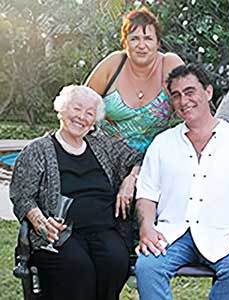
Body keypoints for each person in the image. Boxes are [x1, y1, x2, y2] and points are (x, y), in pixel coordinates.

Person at [134, 64, 229, 300]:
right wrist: (147, 227)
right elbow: (146, 194)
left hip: (226, 233)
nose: (184, 101)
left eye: (190, 91)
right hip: (172, 233)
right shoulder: (162, 143)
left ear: (208, 92)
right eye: (176, 95)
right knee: (147, 268)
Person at [10, 85, 142, 300]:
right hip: (59, 233)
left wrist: (131, 179)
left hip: (104, 230)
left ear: (94, 122)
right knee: (77, 268)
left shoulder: (102, 146)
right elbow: (22, 196)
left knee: (115, 261)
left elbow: (138, 158)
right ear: (61, 110)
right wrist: (40, 222)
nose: (81, 117)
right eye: (76, 108)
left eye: (89, 113)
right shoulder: (37, 150)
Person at [86, 7, 184, 203]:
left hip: (153, 162)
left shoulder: (170, 65)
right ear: (125, 42)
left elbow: (191, 107)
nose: (141, 45)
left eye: (148, 38)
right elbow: (80, 107)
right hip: (105, 159)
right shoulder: (113, 63)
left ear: (158, 42)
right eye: (134, 38)